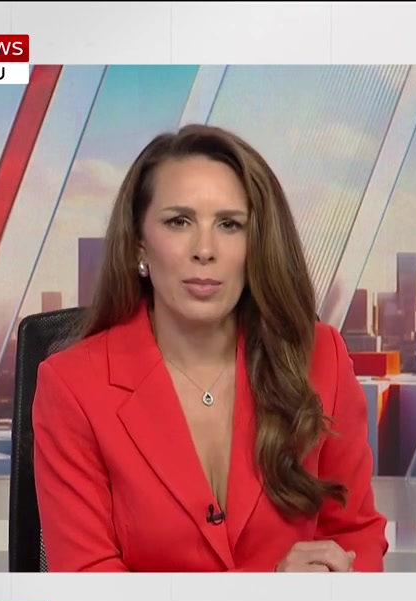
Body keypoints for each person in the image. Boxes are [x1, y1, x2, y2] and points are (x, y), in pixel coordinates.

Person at [32, 124, 388, 572]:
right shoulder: (73, 386)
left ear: (256, 244)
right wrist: (265, 597)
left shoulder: (320, 359)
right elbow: (90, 588)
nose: (205, 249)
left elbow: (355, 535)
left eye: (229, 224)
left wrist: (332, 580)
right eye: (179, 222)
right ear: (140, 244)